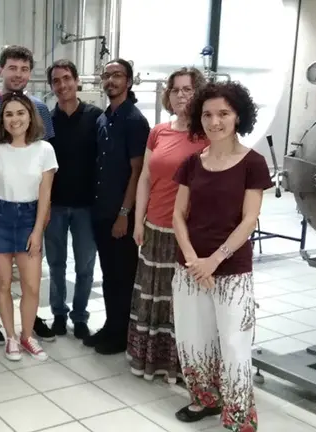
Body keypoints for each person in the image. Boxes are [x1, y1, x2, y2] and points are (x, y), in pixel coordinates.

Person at [171, 81, 269, 431]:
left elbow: (249, 220)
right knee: (192, 339)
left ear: (238, 116)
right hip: (189, 269)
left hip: (231, 271)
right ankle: (204, 399)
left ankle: (240, 416)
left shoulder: (253, 163)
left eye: (223, 114)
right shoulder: (191, 164)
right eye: (208, 114)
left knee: (234, 343)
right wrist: (193, 259)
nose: (215, 122)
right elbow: (178, 216)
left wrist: (213, 260)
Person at [127, 67, 208, 383]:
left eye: (188, 89)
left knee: (181, 303)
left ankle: (180, 366)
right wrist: (139, 221)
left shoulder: (206, 135)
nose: (181, 96)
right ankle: (150, 361)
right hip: (155, 227)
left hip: (187, 234)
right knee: (154, 298)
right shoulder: (158, 131)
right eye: (175, 90)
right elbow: (146, 177)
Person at [0, 45, 56, 346]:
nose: (18, 74)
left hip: (29, 206)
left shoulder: (41, 108)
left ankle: (29, 323)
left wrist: (43, 212)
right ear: (1, 70)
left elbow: (45, 167)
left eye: (24, 69)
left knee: (29, 275)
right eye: (13, 68)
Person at [89, 59, 150, 355]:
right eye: (107, 75)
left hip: (120, 214)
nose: (111, 80)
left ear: (129, 81)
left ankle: (122, 333)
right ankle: (112, 326)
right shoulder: (104, 118)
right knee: (109, 274)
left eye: (117, 75)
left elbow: (137, 172)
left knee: (123, 275)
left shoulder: (134, 121)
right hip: (101, 210)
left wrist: (125, 214)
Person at [44, 59, 102, 340]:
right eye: (56, 81)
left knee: (85, 265)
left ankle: (79, 316)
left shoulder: (95, 116)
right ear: (51, 86)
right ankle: (58, 313)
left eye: (67, 78)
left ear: (76, 80)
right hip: (54, 205)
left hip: (86, 206)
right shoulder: (47, 121)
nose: (62, 85)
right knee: (55, 263)